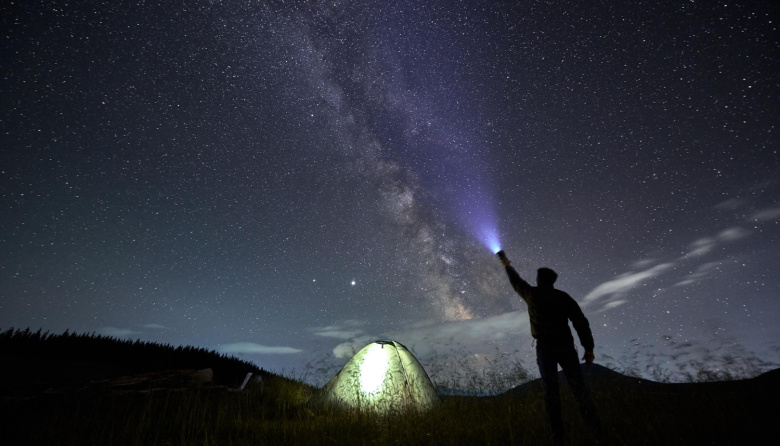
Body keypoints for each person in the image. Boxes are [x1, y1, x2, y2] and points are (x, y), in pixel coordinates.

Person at [498, 250, 604, 446]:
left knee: (550, 392)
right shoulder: (564, 297)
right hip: (566, 346)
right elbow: (580, 322)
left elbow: (516, 282)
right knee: (579, 389)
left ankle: (558, 438)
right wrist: (588, 348)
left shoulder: (532, 294)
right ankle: (597, 432)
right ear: (552, 281)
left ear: (539, 279)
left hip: (545, 348)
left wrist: (507, 265)